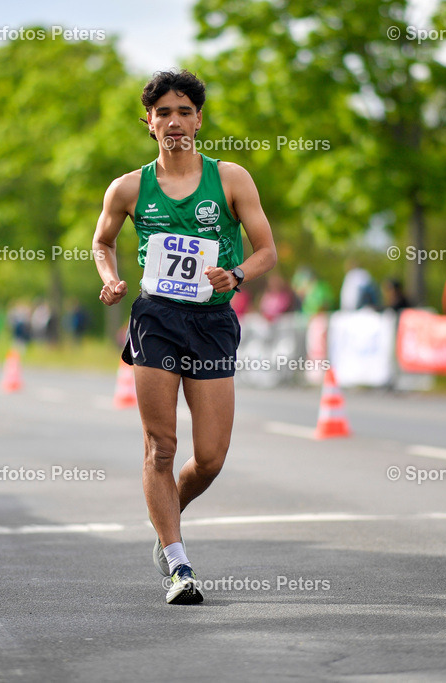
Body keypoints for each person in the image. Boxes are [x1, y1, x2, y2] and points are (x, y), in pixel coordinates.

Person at [92, 69, 277, 605]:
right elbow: (102, 242)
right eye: (164, 113)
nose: (174, 122)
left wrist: (237, 273)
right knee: (161, 447)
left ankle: (167, 510)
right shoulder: (128, 188)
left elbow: (266, 250)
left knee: (212, 455)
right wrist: (110, 280)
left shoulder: (232, 179)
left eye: (184, 112)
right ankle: (178, 564)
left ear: (199, 119)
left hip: (213, 322)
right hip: (156, 319)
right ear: (148, 122)